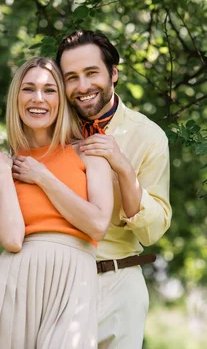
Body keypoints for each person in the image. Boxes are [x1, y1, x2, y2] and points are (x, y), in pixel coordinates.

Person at [0, 57, 113, 349]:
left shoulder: (89, 152)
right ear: (16, 98)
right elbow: (11, 238)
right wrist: (0, 173)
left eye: (49, 90)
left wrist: (43, 177)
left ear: (61, 99)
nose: (38, 99)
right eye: (28, 89)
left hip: (75, 279)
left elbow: (98, 225)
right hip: (14, 283)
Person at [55, 30, 172, 348]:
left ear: (114, 73)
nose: (82, 87)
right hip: (56, 283)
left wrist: (122, 166)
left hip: (120, 285)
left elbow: (152, 231)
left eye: (91, 73)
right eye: (71, 77)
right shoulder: (48, 131)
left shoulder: (149, 137)